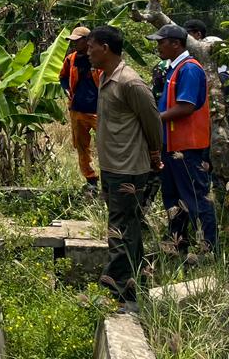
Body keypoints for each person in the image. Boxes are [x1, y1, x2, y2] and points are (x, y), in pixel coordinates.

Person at [85, 25, 163, 313]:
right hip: (113, 165)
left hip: (128, 167)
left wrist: (155, 154)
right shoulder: (106, 77)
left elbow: (153, 121)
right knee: (129, 227)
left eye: (91, 46)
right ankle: (135, 287)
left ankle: (115, 292)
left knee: (119, 229)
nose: (87, 51)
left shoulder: (130, 83)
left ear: (105, 47)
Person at [149, 24, 218, 260]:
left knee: (196, 199)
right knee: (174, 199)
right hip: (172, 145)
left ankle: (209, 250)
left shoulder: (189, 69)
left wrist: (154, 118)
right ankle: (178, 246)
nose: (158, 46)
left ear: (176, 44)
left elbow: (186, 106)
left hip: (187, 146)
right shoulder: (173, 68)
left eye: (161, 41)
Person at [60, 26, 102, 192]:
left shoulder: (98, 59)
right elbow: (62, 77)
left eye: (77, 41)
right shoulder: (71, 59)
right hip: (77, 109)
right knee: (82, 146)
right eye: (72, 41)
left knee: (107, 145)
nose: (73, 44)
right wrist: (67, 90)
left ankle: (109, 177)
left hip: (98, 110)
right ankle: (90, 179)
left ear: (87, 41)